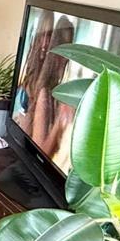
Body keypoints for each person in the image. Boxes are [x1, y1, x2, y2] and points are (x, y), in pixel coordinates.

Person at [14, 13, 76, 165]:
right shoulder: (43, 91)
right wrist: (60, 121)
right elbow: (41, 151)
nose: (44, 43)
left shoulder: (43, 84)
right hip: (22, 160)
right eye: (43, 34)